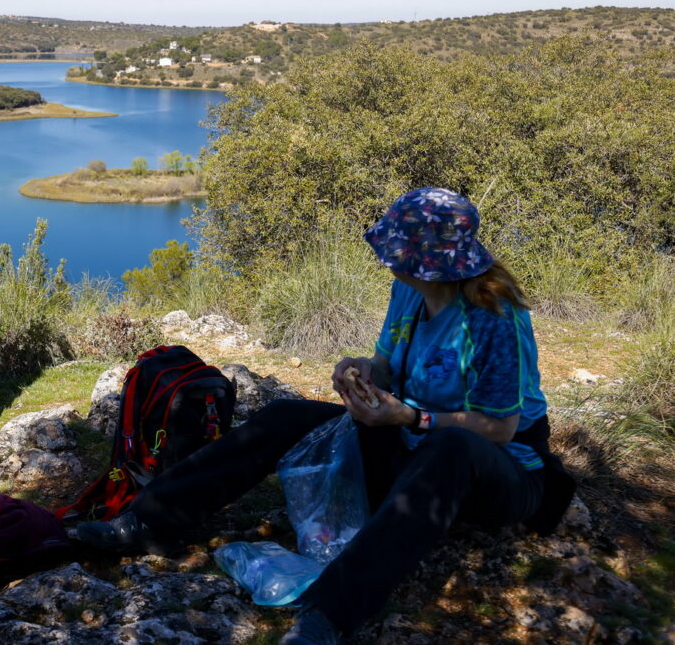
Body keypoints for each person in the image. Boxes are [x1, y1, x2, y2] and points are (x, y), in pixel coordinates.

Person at [76, 188, 574, 645]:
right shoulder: (410, 290)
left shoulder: (494, 317)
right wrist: (362, 370)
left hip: (494, 473)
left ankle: (331, 615)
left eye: (397, 251)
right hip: (409, 450)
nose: (387, 260)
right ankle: (150, 522)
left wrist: (411, 419)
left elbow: (500, 428)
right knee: (287, 416)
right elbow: (387, 362)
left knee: (452, 446)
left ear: (429, 261)